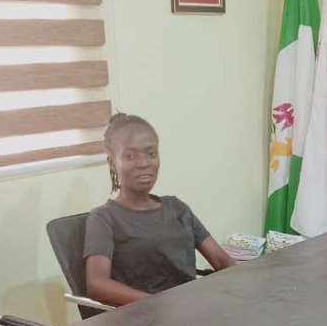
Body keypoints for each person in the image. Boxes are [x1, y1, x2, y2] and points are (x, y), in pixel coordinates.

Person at [85, 113, 235, 306]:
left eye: (151, 154)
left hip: (191, 308)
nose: (144, 164)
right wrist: (162, 304)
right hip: (147, 315)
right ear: (113, 163)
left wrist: (247, 288)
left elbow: (222, 261)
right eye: (130, 156)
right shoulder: (104, 218)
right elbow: (97, 284)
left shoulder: (177, 207)